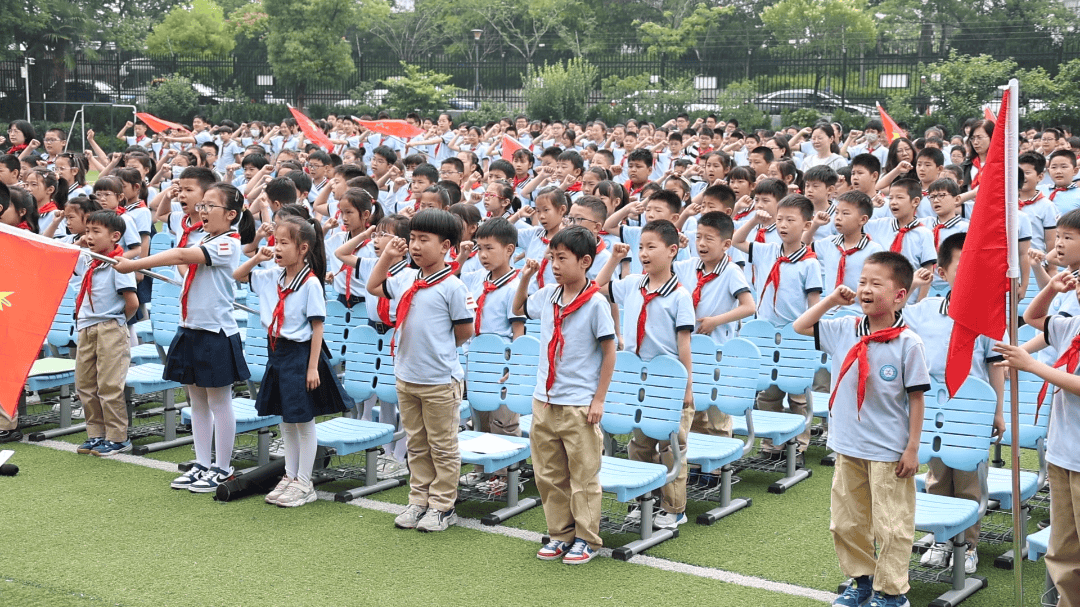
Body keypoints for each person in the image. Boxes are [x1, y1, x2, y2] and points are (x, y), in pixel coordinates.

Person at [793, 251, 930, 607]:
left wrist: (912, 447)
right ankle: (862, 581)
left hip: (888, 451)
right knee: (847, 522)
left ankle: (892, 593)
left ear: (900, 295)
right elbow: (801, 326)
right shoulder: (845, 328)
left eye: (876, 284)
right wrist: (831, 301)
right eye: (862, 282)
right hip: (848, 445)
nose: (865, 289)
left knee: (891, 526)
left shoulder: (908, 343)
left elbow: (916, 399)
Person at [114, 183, 254, 493]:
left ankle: (223, 467)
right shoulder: (206, 239)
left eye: (210, 206)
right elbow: (184, 265)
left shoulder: (228, 243)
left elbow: (179, 254)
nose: (202, 211)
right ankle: (202, 463)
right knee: (197, 401)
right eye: (202, 205)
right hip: (190, 327)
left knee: (219, 402)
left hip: (216, 332)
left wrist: (133, 264)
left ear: (231, 214)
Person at [513, 226, 615, 565]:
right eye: (552, 258)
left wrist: (598, 400)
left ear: (585, 261)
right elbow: (519, 306)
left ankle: (587, 538)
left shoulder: (596, 303)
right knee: (548, 474)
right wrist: (526, 277)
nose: (555, 265)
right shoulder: (548, 295)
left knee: (583, 475)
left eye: (562, 258)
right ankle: (560, 533)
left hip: (578, 403)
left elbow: (609, 352)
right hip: (544, 399)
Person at [367, 209, 474, 533]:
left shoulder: (453, 286)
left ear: (445, 246)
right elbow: (373, 285)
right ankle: (419, 499)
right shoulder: (405, 278)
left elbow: (464, 331)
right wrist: (388, 256)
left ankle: (442, 505)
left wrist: (437, 349)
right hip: (407, 377)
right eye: (412, 238)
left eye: (424, 239)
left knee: (442, 446)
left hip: (439, 380)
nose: (415, 246)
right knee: (416, 443)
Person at [235, 216, 353, 507]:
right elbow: (238, 275)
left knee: (303, 419)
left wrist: (313, 367)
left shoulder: (310, 283)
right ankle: (289, 475)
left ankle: (304, 481)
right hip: (276, 351)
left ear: (302, 248)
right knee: (286, 418)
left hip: (300, 353)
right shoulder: (272, 276)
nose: (277, 248)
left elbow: (317, 328)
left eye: (283, 243)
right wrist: (257, 257)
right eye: (275, 242)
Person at [904, 233, 1004, 574]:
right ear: (942, 273)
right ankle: (942, 538)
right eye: (963, 268)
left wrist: (997, 411)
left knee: (969, 481)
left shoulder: (987, 313)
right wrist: (914, 286)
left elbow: (995, 365)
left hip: (970, 411)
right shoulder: (926, 310)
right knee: (937, 477)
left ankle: (968, 545)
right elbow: (894, 318)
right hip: (934, 409)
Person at [597, 220, 695, 529]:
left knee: (671, 446)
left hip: (668, 381)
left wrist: (687, 387)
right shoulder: (632, 284)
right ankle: (644, 501)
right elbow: (597, 287)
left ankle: (674, 508)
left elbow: (684, 343)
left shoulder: (679, 295)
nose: (644, 253)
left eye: (651, 247)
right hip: (638, 379)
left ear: (672, 250)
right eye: (641, 247)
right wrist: (614, 259)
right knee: (640, 444)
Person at [994, 270, 1080, 607]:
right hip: (1062, 453)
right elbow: (1032, 318)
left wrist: (1033, 366)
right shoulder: (1071, 324)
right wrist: (1050, 289)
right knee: (1063, 548)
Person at [734, 194, 823, 460]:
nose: (783, 225)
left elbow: (814, 303)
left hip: (795, 335)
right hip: (766, 333)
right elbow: (737, 240)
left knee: (797, 394)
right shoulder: (767, 250)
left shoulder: (809, 262)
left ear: (806, 225)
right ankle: (772, 444)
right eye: (780, 219)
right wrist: (754, 221)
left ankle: (799, 444)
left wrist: (811, 336)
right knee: (768, 393)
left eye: (790, 220)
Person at [674, 211, 755, 440]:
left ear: (726, 244)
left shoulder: (731, 271)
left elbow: (749, 306)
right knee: (693, 411)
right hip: (690, 349)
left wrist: (715, 321)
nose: (701, 243)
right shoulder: (688, 266)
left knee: (716, 412)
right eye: (698, 237)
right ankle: (697, 457)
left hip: (717, 351)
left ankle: (720, 458)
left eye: (709, 238)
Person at [458, 217, 526, 488]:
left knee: (504, 421)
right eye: (480, 248)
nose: (483, 255)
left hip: (502, 362)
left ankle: (506, 475)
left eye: (489, 248)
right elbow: (451, 278)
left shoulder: (515, 286)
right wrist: (462, 257)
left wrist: (513, 366)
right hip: (477, 359)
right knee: (480, 419)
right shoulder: (477, 278)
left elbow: (518, 330)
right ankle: (482, 468)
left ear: (509, 250)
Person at [73, 211, 140, 456]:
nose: (89, 236)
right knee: (85, 384)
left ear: (115, 236)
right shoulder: (88, 261)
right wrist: (79, 242)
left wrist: (117, 323)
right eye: (87, 231)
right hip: (86, 327)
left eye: (95, 231)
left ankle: (117, 437)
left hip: (110, 327)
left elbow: (132, 303)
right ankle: (96, 433)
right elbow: (66, 254)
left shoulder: (119, 265)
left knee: (109, 385)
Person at [805, 191, 884, 305]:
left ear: (863, 219)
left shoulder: (873, 250)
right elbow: (802, 246)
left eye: (845, 213)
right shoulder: (829, 243)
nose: (838, 218)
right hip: (829, 309)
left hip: (858, 309)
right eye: (836, 212)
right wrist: (815, 225)